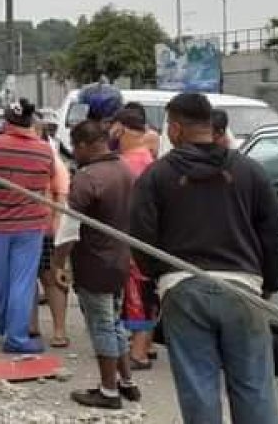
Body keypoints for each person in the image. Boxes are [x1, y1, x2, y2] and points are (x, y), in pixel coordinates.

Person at [130, 93, 278, 424]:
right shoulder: (251, 171)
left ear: (175, 128)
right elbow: (272, 234)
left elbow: (141, 240)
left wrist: (158, 279)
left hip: (183, 289)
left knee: (198, 388)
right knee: (255, 387)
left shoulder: (157, 176)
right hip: (243, 287)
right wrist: (270, 283)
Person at [52, 120, 140, 409]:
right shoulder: (125, 171)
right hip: (120, 259)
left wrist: (58, 264)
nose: (74, 153)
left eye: (76, 147)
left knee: (101, 324)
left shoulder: (88, 178)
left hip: (94, 262)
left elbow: (68, 228)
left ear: (85, 145)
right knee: (114, 322)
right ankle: (126, 382)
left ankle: (109, 391)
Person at [0, 99, 58, 354]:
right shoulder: (45, 150)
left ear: (7, 121)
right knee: (22, 282)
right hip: (31, 224)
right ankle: (17, 338)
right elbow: (49, 177)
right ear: (31, 121)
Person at [110, 107, 158, 371]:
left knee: (135, 295)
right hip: (147, 237)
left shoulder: (127, 163)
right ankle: (145, 347)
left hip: (130, 238)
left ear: (121, 129)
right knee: (146, 292)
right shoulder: (147, 158)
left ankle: (138, 353)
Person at [29, 118, 71, 348]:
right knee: (28, 280)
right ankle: (31, 325)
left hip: (47, 230)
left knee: (52, 280)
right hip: (27, 227)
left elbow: (61, 198)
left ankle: (59, 330)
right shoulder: (32, 157)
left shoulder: (52, 160)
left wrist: (56, 231)